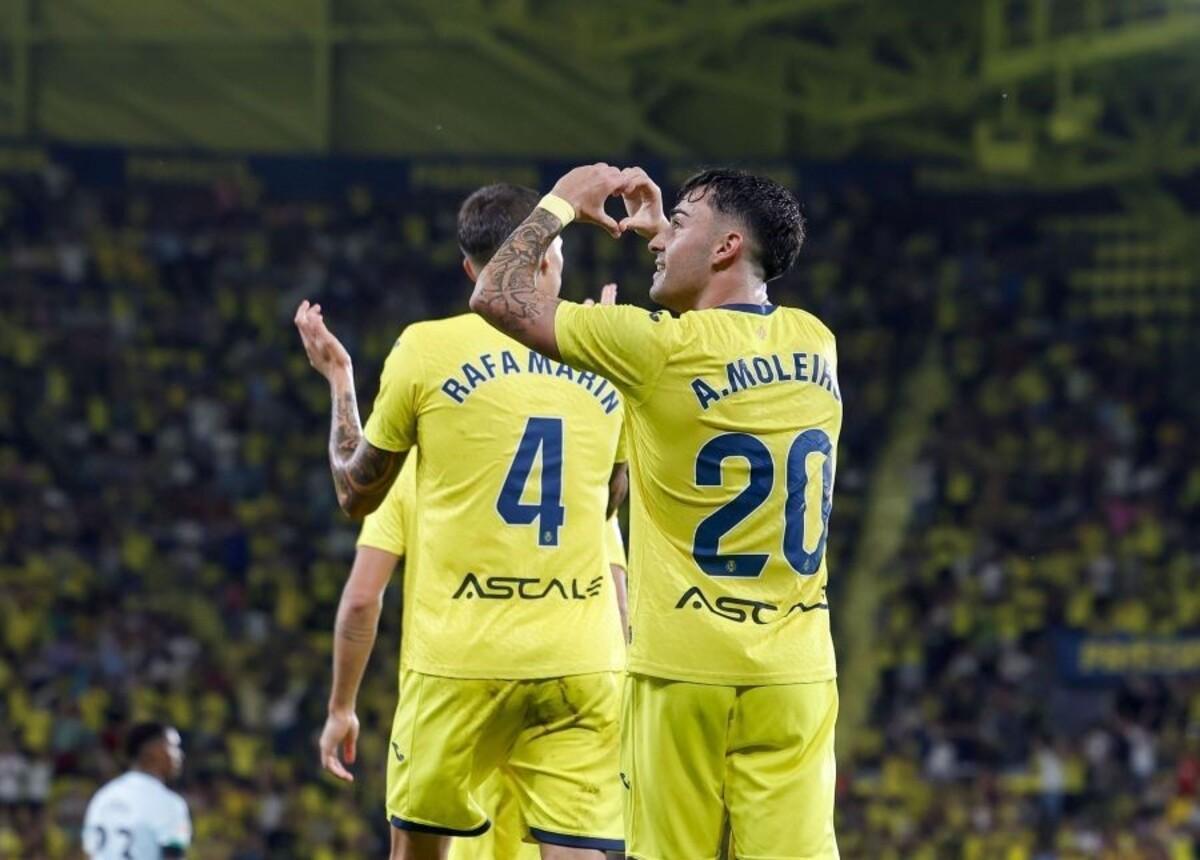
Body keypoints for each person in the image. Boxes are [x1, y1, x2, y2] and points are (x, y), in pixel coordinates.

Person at [470, 165, 840, 859]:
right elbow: (724, 352)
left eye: (682, 221)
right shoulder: (817, 343)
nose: (658, 239)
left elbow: (494, 292)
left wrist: (562, 204)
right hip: (796, 672)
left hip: (683, 672)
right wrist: (675, 249)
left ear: (727, 247)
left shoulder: (651, 347)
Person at [295, 183, 628, 860]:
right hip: (582, 662)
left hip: (460, 664)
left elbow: (355, 494)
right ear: (548, 258)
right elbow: (610, 502)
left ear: (471, 270)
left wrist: (340, 383)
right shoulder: (608, 353)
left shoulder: (426, 348)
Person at [317, 444, 630, 860]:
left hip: (461, 699)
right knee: (576, 848)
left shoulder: (412, 469)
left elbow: (361, 600)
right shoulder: (580, 460)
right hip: (569, 692)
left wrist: (342, 706)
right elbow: (619, 607)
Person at [82, 723, 191, 859]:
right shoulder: (168, 802)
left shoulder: (103, 796)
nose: (180, 754)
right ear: (151, 751)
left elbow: (90, 851)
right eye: (173, 746)